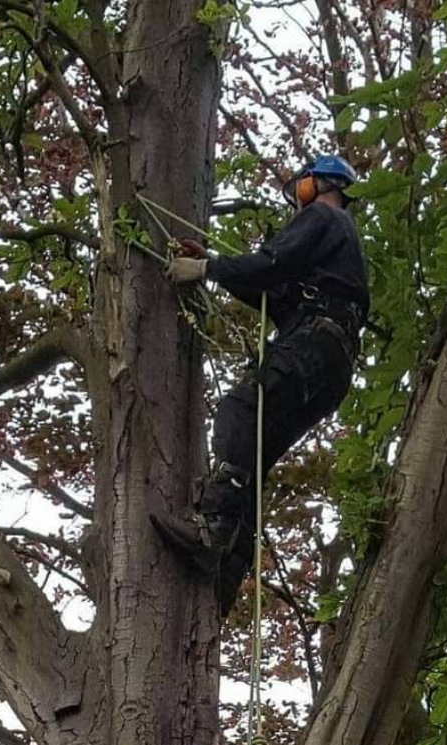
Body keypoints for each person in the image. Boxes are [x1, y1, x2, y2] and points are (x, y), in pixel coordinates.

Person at [151, 154, 370, 614]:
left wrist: (208, 269)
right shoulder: (336, 254)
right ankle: (229, 571)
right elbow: (275, 294)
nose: (298, 195)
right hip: (331, 361)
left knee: (240, 411)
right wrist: (212, 266)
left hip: (314, 343)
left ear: (322, 183)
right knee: (254, 454)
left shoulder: (322, 217)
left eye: (303, 184)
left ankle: (213, 529)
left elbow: (272, 263)